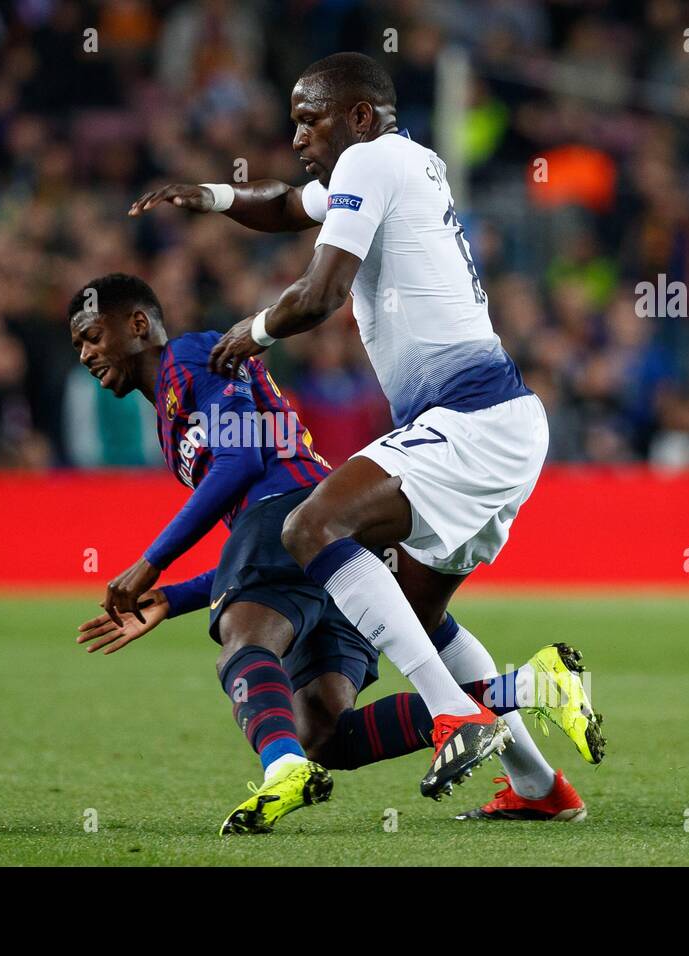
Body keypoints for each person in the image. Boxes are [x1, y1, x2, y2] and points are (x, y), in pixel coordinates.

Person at [128, 52, 604, 817]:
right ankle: (540, 781)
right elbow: (286, 205)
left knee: (312, 524)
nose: (297, 135)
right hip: (497, 425)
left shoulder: (376, 159)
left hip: (469, 418)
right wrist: (213, 195)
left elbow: (321, 293)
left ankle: (453, 715)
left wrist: (250, 331)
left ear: (357, 116)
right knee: (413, 617)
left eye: (309, 118)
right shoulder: (396, 163)